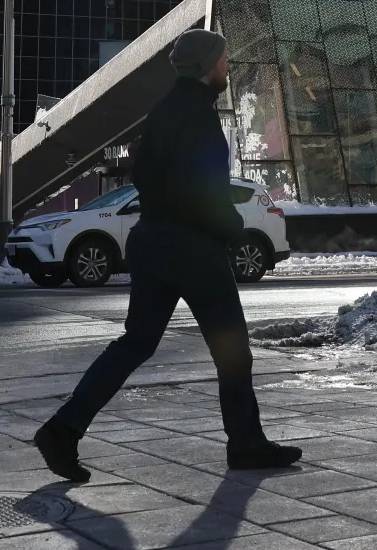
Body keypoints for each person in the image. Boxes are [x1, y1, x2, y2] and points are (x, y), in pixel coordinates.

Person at [33, 28, 300, 482]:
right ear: (205, 67)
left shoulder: (162, 111)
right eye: (223, 60)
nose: (228, 67)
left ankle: (63, 429)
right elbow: (206, 190)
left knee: (135, 343)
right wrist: (232, 226)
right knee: (233, 351)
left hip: (152, 242)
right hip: (192, 248)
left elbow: (145, 176)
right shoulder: (197, 115)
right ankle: (246, 445)